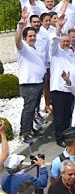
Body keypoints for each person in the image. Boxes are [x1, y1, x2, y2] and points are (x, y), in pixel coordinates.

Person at [15, 8, 47, 144]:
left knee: (34, 109)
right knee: (28, 110)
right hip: (29, 84)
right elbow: (17, 41)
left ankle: (32, 129)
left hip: (38, 83)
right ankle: (24, 133)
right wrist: (20, 27)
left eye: (34, 36)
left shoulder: (35, 48)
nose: (32, 38)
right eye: (30, 36)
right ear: (25, 37)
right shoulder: (23, 48)